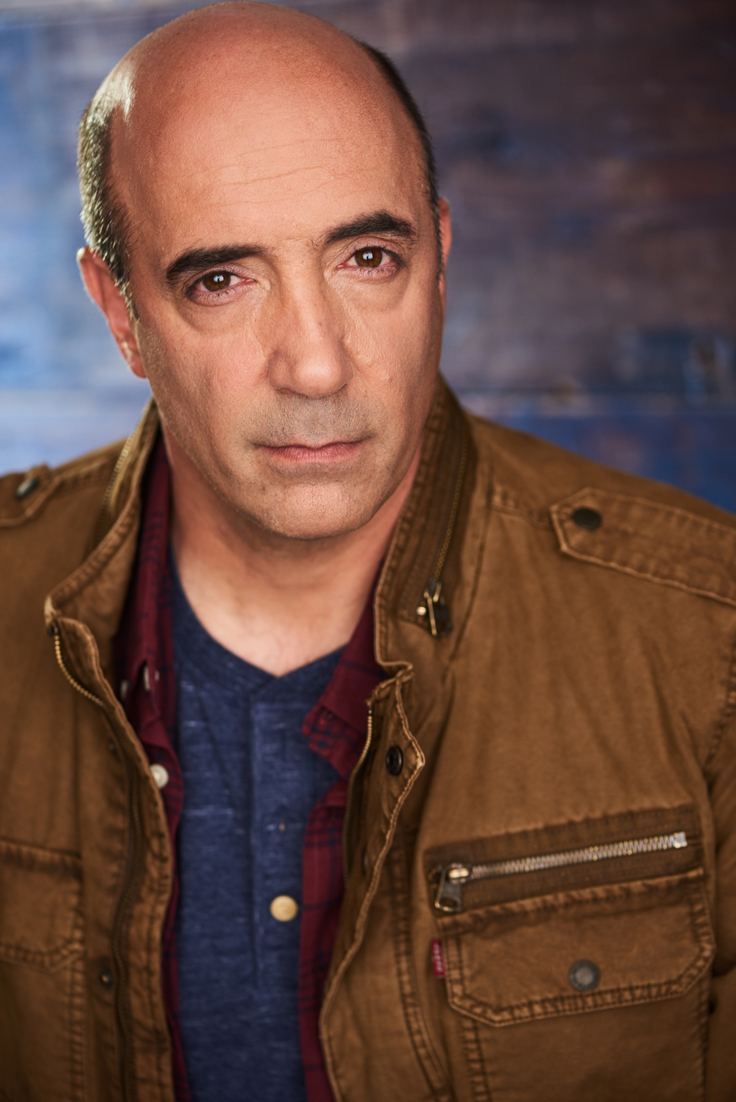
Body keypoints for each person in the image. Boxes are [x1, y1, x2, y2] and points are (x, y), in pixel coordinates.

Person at [0, 2, 734, 1099]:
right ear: (119, 312)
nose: (315, 364)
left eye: (368, 257)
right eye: (221, 279)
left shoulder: (708, 635)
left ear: (439, 257)